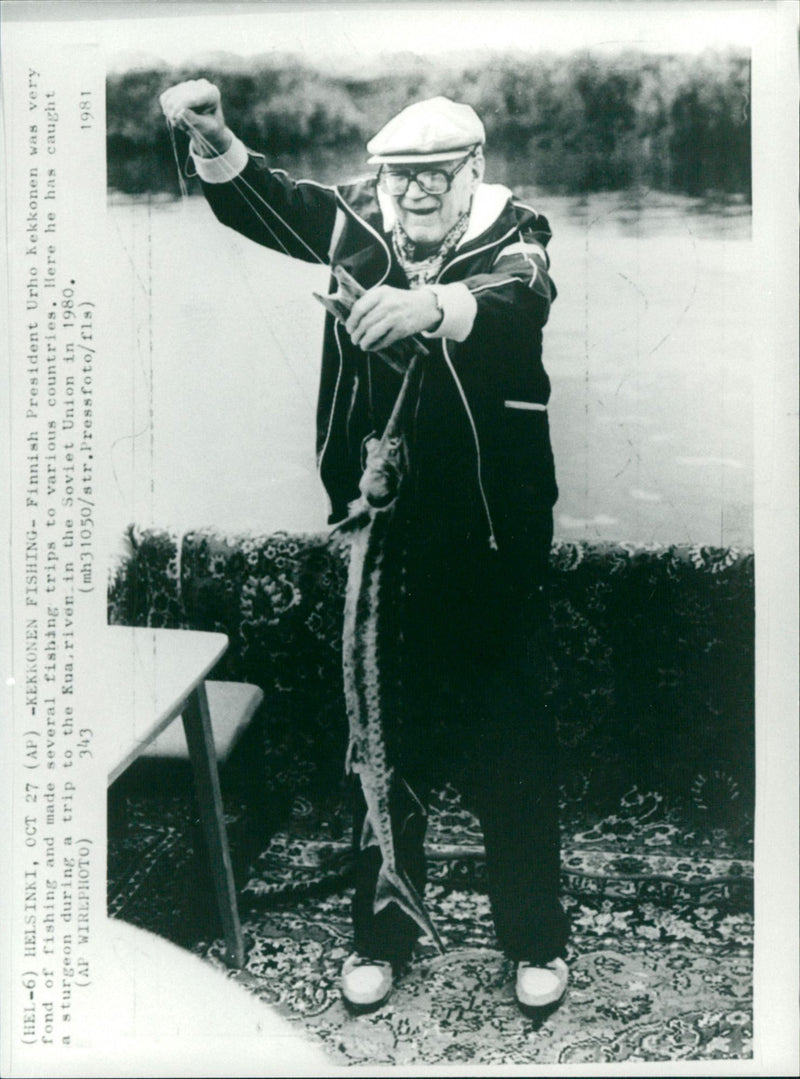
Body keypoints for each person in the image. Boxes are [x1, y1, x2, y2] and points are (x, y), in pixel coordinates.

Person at [160, 81, 570, 1015]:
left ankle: (535, 935)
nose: (416, 194)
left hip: (496, 536)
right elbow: (267, 199)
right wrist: (216, 136)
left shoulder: (519, 236)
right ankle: (380, 930)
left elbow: (520, 298)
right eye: (400, 178)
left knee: (512, 734)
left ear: (474, 172)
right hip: (384, 527)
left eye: (435, 176)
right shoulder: (357, 222)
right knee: (379, 730)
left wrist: (430, 309)